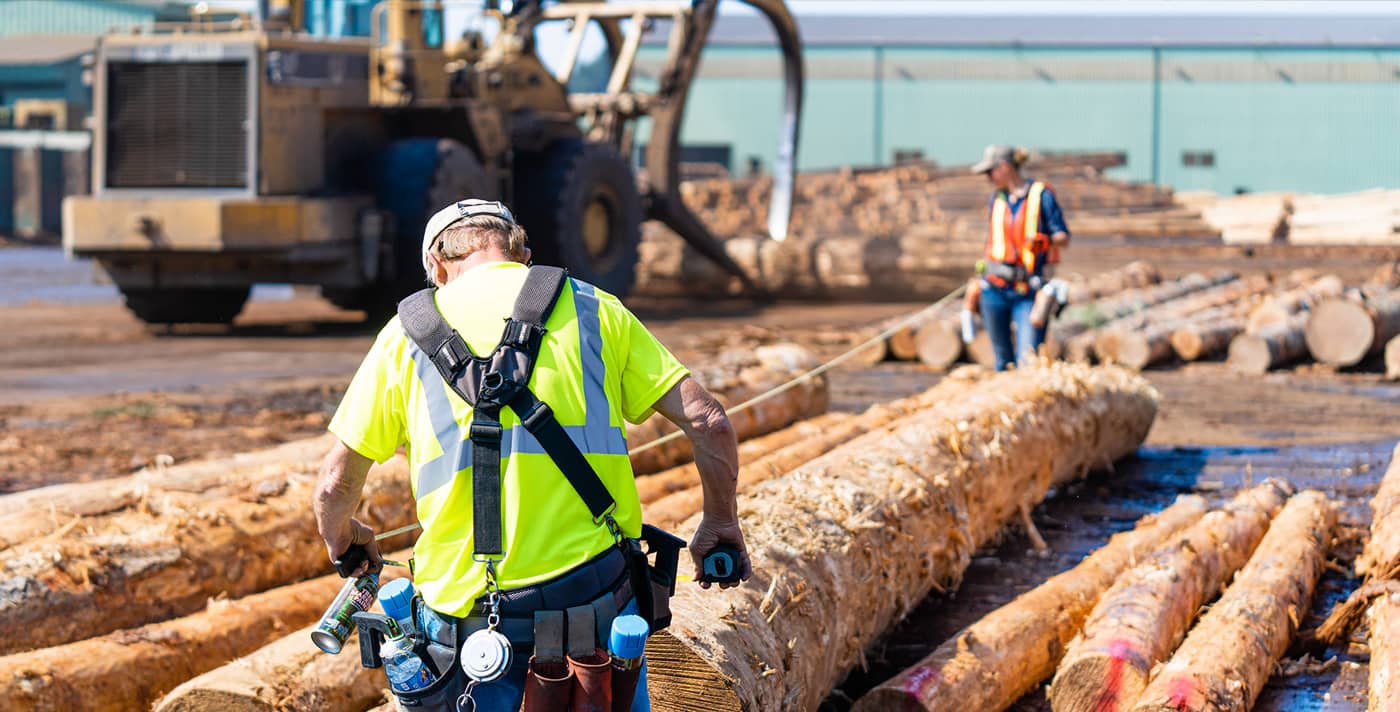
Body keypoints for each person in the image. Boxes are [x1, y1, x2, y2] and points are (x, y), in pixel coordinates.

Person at [313, 199, 751, 711]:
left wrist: (346, 540)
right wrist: (720, 520)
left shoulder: (402, 337)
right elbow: (709, 421)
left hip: (467, 628)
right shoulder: (593, 309)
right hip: (598, 608)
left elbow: (333, 486)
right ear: (521, 254)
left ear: (436, 265)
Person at [969, 144, 1071, 371]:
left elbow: (1063, 237)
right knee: (1002, 362)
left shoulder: (1041, 196)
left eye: (990, 172)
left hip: (1028, 291)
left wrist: (1044, 241)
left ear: (1004, 167)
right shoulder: (997, 199)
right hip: (994, 290)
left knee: (1029, 361)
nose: (988, 178)